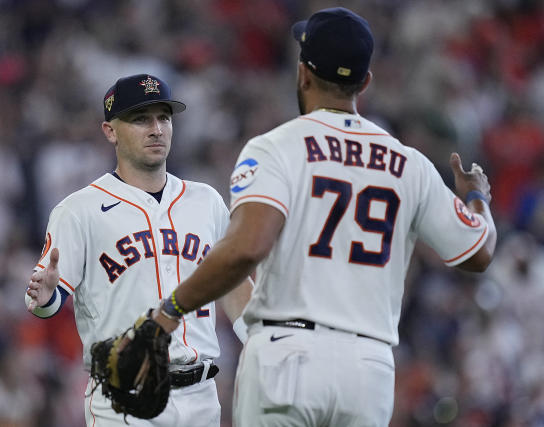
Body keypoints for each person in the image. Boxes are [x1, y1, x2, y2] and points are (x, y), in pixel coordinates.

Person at [151, 7, 497, 427]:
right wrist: (477, 196)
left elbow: (247, 249)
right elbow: (478, 251)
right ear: (365, 82)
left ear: (302, 73)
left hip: (288, 356)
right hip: (370, 370)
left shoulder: (277, 147)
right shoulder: (409, 164)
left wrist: (170, 311)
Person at [24, 73, 252, 427]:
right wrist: (47, 295)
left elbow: (234, 282)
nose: (156, 129)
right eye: (141, 119)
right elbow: (47, 304)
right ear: (110, 131)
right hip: (125, 399)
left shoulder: (206, 201)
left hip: (202, 397)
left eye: (164, 117)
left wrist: (260, 342)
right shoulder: (79, 209)